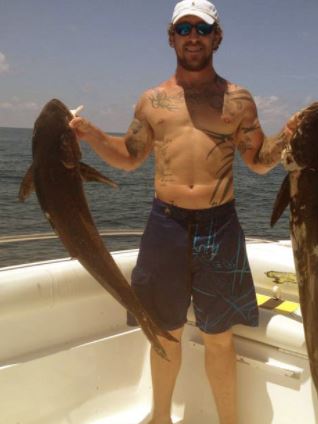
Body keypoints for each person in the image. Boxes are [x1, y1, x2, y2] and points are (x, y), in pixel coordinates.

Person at [70, 1, 298, 422]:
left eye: (202, 29)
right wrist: (90, 135)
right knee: (164, 332)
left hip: (221, 225)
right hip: (166, 225)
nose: (193, 36)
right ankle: (160, 418)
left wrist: (288, 135)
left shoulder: (238, 100)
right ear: (171, 37)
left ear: (217, 37)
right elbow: (129, 157)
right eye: (185, 28)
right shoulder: (152, 101)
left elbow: (259, 161)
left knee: (219, 336)